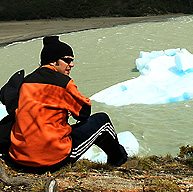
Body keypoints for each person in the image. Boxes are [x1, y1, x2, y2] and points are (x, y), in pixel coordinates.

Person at [8, 35, 128, 173]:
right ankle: (119, 161)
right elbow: (84, 113)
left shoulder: (26, 82)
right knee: (102, 121)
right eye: (67, 60)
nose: (71, 64)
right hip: (52, 161)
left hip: (19, 158)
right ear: (53, 62)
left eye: (72, 60)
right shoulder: (63, 83)